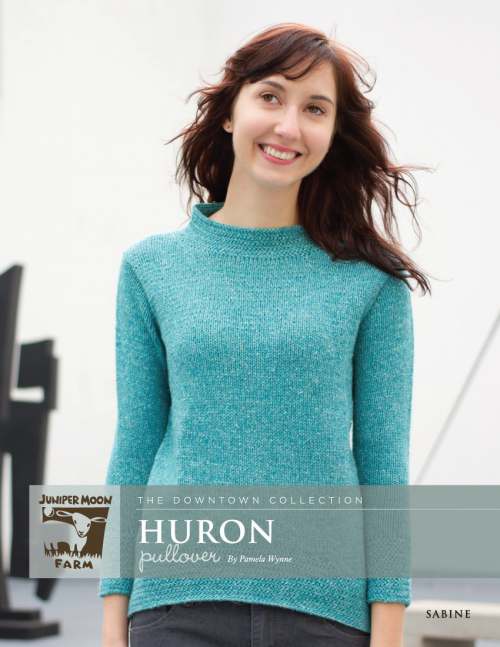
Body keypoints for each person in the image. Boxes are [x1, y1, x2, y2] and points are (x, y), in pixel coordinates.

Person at [99, 21, 431, 647]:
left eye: (315, 109)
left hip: (326, 615)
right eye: (271, 96)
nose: (288, 126)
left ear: (332, 135)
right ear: (230, 112)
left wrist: (388, 632)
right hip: (175, 607)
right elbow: (134, 445)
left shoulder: (371, 283)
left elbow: (384, 467)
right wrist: (113, 615)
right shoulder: (150, 269)